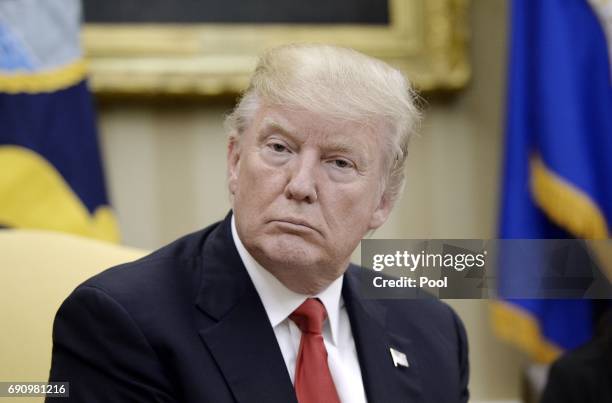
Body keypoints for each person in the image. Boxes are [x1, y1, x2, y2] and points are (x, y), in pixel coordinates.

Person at [47, 44, 469, 402]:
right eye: (280, 148)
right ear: (234, 161)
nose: (300, 185)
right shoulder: (120, 322)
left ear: (383, 200)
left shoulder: (433, 331)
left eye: (339, 162)